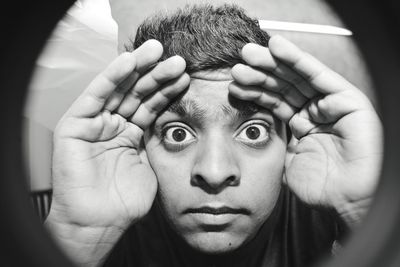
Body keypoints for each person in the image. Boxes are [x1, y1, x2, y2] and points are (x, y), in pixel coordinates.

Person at [44, 4, 383, 267]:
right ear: (142, 147)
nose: (215, 172)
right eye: (178, 134)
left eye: (253, 131)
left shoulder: (324, 210)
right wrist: (77, 238)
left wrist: (365, 212)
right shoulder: (113, 216)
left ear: (290, 142)